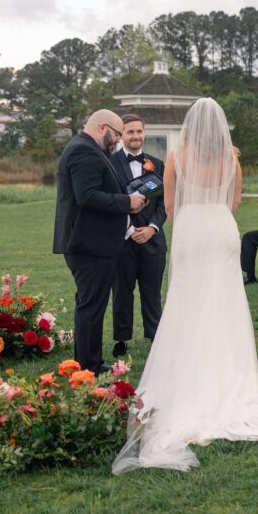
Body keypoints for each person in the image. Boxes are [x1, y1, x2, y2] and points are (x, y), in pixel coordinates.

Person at [111, 97, 258, 474]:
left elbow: (170, 205)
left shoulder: (177, 155)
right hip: (221, 226)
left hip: (190, 227)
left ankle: (188, 370)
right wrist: (215, 214)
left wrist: (190, 221)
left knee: (187, 299)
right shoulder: (231, 157)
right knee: (223, 300)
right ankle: (226, 373)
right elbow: (234, 201)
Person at [54, 110, 148, 374]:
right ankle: (89, 366)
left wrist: (128, 199)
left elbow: (98, 190)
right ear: (102, 127)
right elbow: (88, 196)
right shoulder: (83, 151)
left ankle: (86, 362)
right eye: (117, 134)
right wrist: (126, 202)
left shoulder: (86, 148)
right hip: (89, 243)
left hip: (91, 242)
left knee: (90, 305)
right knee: (91, 307)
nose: (117, 141)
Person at [109, 114, 168, 358]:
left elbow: (164, 202)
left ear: (144, 133)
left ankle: (155, 334)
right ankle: (121, 339)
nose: (135, 136)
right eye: (130, 132)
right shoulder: (109, 163)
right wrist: (131, 230)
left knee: (152, 290)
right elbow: (110, 201)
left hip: (153, 239)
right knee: (122, 291)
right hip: (123, 240)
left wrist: (152, 227)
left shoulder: (157, 163)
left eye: (139, 132)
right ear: (121, 135)